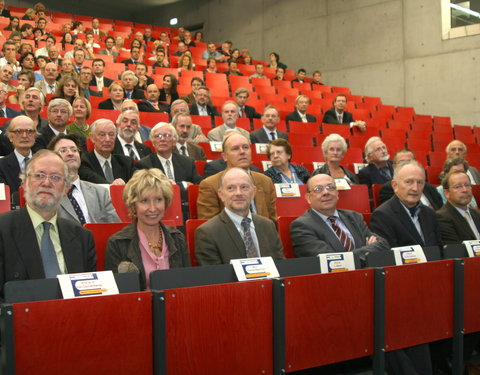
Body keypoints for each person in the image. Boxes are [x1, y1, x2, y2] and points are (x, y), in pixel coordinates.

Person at [369, 160, 442, 375]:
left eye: (420, 182)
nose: (415, 188)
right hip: (403, 291)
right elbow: (388, 261)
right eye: (409, 182)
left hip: (433, 284)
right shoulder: (383, 215)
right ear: (394, 185)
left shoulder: (429, 214)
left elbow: (437, 249)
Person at [0, 149, 96, 297]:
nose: (46, 183)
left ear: (66, 188)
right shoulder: (3, 230)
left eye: (55, 177)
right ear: (24, 183)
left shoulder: (82, 237)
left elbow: (88, 297)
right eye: (39, 175)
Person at [105, 168, 190, 288]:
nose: (153, 208)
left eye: (158, 200)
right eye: (144, 201)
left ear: (166, 202)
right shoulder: (118, 243)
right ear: (133, 205)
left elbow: (187, 285)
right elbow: (118, 294)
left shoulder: (178, 238)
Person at [195, 167, 284, 265]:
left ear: (253, 192)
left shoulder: (268, 226)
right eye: (231, 188)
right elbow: (215, 276)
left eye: (244, 187)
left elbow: (281, 266)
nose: (238, 193)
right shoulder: (207, 233)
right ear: (221, 195)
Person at [291, 174, 388, 261]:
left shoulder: (354, 217)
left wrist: (346, 256)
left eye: (330, 187)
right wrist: (368, 250)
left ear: (337, 194)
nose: (326, 192)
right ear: (308, 198)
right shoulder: (301, 226)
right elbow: (331, 261)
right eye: (318, 189)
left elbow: (383, 244)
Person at [197, 131, 276, 221]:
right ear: (225, 157)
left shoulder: (266, 181)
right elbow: (209, 228)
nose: (242, 152)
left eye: (246, 147)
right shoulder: (209, 185)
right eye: (235, 149)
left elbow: (272, 223)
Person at [134, 122, 203, 219]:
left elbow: (199, 186)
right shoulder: (144, 165)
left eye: (167, 135)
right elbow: (146, 191)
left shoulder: (187, 162)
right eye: (158, 136)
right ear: (153, 142)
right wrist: (182, 186)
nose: (162, 139)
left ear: (174, 141)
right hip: (156, 213)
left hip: (184, 211)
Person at [48, 134, 120, 224]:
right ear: (52, 158)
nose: (70, 153)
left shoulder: (100, 193)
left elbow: (114, 228)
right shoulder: (47, 193)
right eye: (63, 151)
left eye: (74, 150)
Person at [78, 119, 134, 185]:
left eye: (111, 134)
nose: (107, 139)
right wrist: (113, 187)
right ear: (92, 137)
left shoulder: (126, 162)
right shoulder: (84, 161)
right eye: (102, 135)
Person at [437, 170, 480, 244]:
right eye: (458, 187)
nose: (465, 190)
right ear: (447, 193)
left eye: (467, 185)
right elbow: (456, 249)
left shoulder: (476, 214)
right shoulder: (441, 217)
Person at [0, 115, 36, 201]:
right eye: (18, 131)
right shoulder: (1, 165)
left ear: (35, 136)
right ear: (10, 137)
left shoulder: (45, 162)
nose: (24, 135)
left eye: (29, 131)